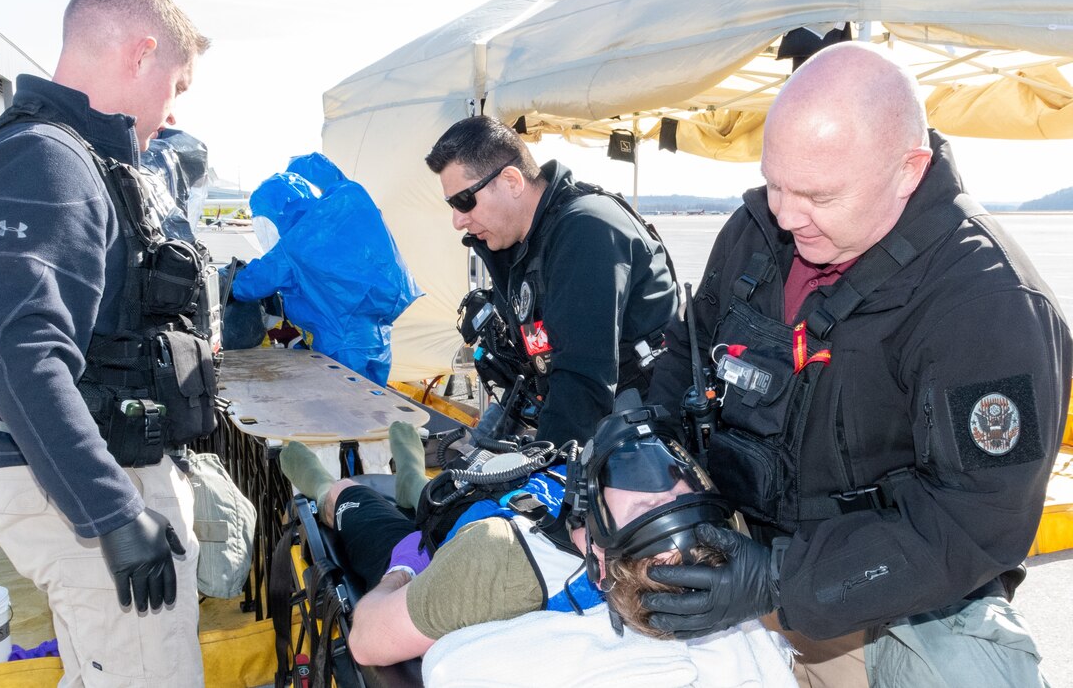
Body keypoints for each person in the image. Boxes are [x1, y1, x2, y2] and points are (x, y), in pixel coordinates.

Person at [645, 41, 1072, 686]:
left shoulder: (987, 305)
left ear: (908, 170)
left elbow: (976, 522)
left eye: (816, 194)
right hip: (739, 549)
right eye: (775, 184)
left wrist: (776, 579)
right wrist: (642, 445)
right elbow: (691, 348)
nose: (787, 216)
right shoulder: (757, 231)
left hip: (889, 597)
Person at [0, 0, 211, 686]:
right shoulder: (48, 158)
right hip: (89, 492)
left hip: (89, 481)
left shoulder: (72, 157)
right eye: (176, 86)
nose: (171, 114)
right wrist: (111, 512)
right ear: (141, 54)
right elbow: (16, 352)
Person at [277, 401, 746, 669]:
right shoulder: (697, 538)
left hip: (438, 542)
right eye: (688, 499)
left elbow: (367, 641)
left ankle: (350, 479)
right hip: (492, 493)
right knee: (426, 491)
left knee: (345, 496)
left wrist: (403, 568)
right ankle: (412, 476)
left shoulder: (499, 565)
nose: (665, 478)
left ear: (604, 559)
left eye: (649, 507)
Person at [425, 115, 678, 446]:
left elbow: (582, 383)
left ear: (512, 181)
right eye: (451, 204)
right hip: (577, 414)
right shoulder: (521, 246)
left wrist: (543, 478)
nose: (458, 220)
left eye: (464, 200)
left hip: (639, 436)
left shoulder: (586, 230)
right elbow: (537, 362)